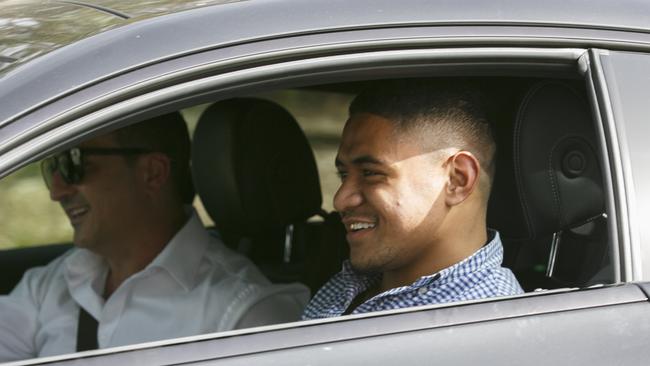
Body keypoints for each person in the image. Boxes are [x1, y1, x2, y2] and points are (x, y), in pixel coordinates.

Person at [0, 112, 309, 361]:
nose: (56, 191)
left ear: (153, 172)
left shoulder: (243, 317)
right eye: (53, 166)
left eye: (74, 164)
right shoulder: (54, 282)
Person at [303, 82, 523, 319]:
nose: (340, 200)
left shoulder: (484, 326)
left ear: (457, 179)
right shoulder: (355, 283)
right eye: (344, 175)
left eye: (370, 173)